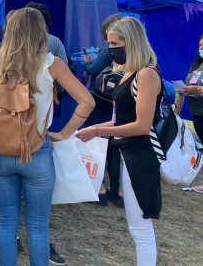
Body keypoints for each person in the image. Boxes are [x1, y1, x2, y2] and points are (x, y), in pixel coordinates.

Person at [0, 7, 95, 266]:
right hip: (36, 149)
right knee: (37, 225)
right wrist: (65, 133)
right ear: (41, 32)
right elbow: (86, 102)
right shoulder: (50, 63)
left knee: (6, 221)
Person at [76, 17, 163, 265]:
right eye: (108, 43)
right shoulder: (128, 72)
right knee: (137, 227)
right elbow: (121, 118)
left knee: (141, 229)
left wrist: (97, 131)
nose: (110, 48)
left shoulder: (146, 74)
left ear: (131, 41)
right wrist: (96, 128)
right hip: (127, 151)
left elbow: (142, 125)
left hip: (140, 155)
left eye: (114, 43)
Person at [84, 13, 125, 206]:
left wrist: (86, 62)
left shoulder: (110, 48)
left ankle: (98, 188)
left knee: (96, 143)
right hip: (122, 104)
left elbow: (93, 69)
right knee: (115, 146)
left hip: (102, 102)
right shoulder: (139, 52)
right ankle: (117, 191)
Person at [174, 33, 203, 193]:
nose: (201, 49)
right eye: (199, 46)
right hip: (198, 114)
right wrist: (176, 112)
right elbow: (183, 90)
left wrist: (197, 89)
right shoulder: (197, 66)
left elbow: (196, 89)